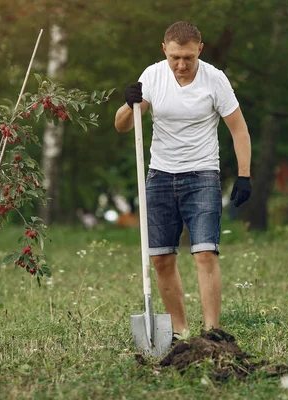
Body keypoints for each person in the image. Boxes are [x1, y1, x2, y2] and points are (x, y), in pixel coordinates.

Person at [114, 21, 252, 336]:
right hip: (160, 176)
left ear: (199, 50)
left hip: (202, 174)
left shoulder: (215, 80)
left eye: (188, 57)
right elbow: (122, 125)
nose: (181, 64)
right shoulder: (151, 76)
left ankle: (212, 333)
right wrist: (128, 103)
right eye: (175, 57)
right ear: (164, 50)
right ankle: (180, 331)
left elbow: (238, 129)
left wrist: (244, 175)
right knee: (162, 259)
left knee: (205, 252)